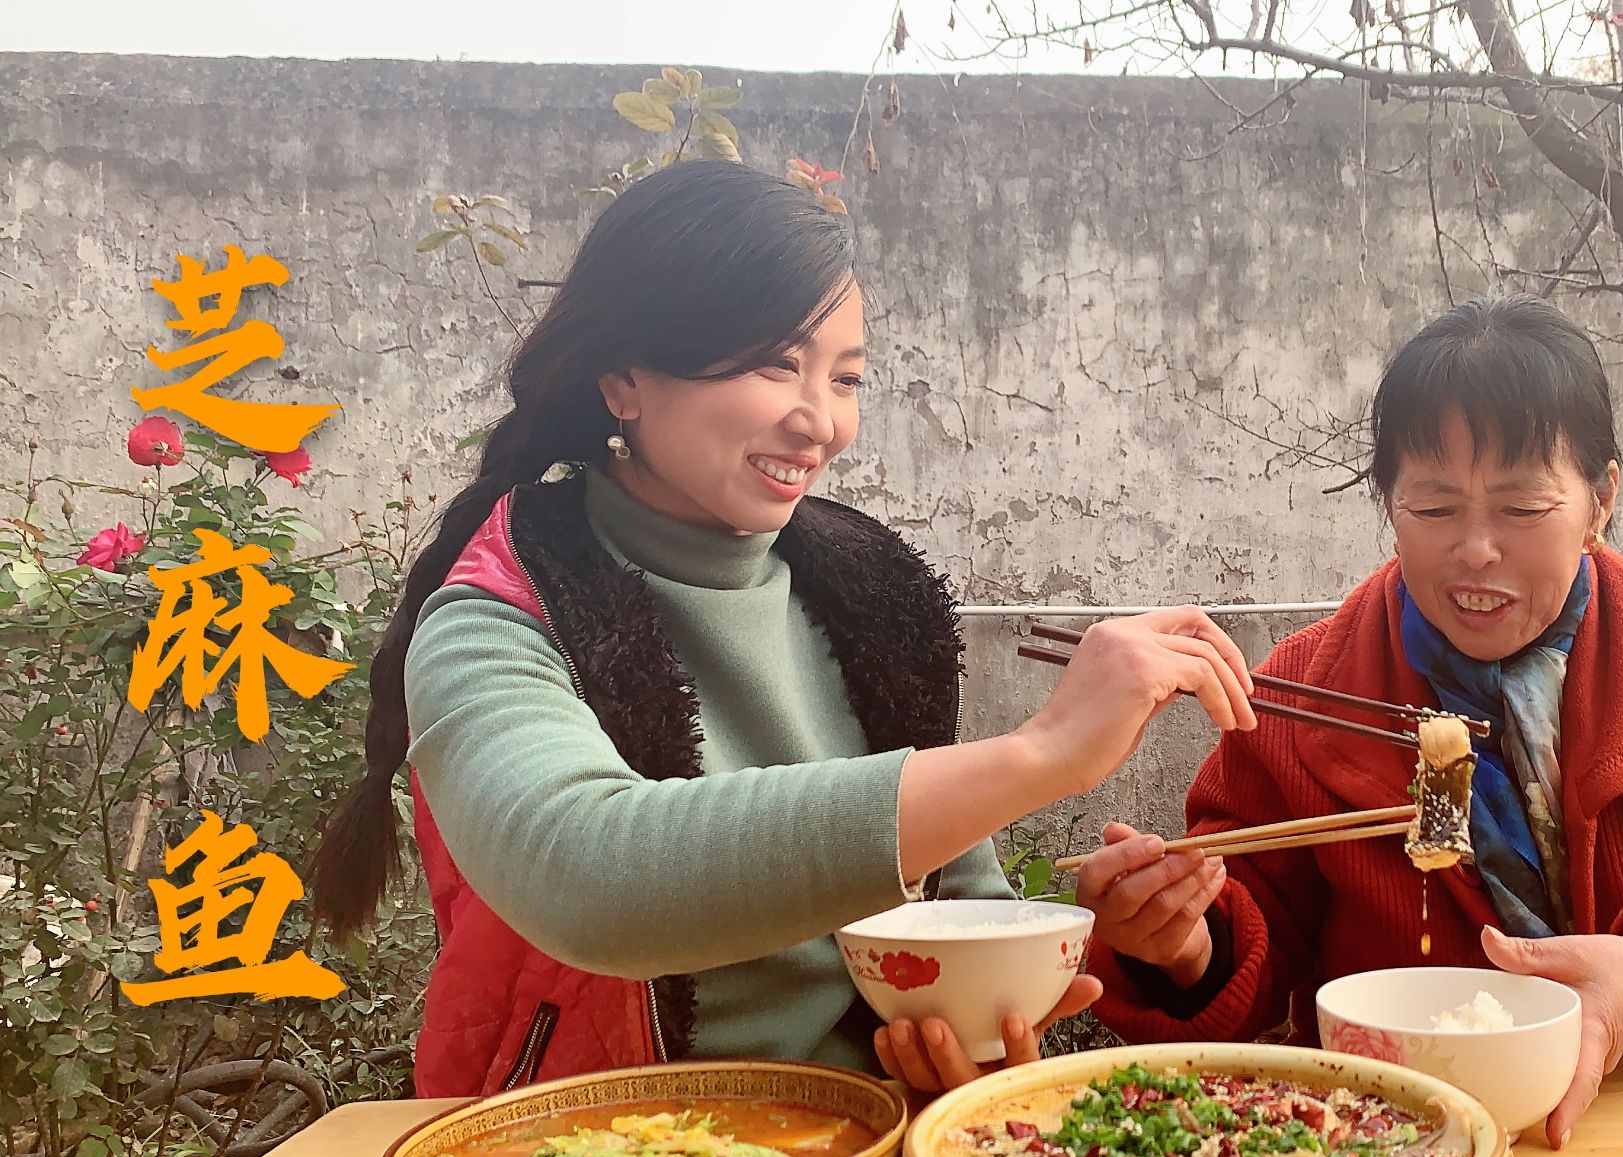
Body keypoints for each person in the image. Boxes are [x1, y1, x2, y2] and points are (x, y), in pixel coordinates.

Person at [309, 161, 1259, 1099]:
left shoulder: (873, 592)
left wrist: (1014, 999)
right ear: (623, 380)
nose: (821, 421)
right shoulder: (498, 613)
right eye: (776, 363)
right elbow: (585, 872)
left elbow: (963, 909)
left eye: (845, 379)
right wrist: (1043, 753)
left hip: (868, 1153)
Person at [1074, 294, 1623, 1157]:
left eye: (1521, 507)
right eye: (1433, 508)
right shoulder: (1307, 691)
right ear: (1389, 505)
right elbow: (1251, 922)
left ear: (1600, 500)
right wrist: (1183, 943)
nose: (1474, 550)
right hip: (1395, 1153)